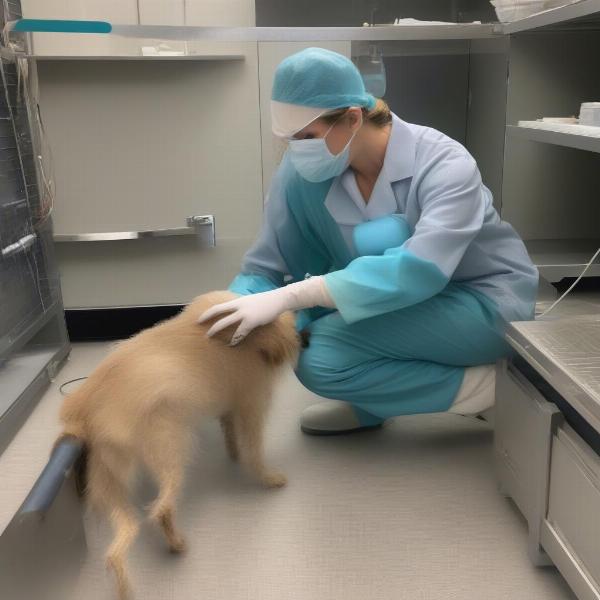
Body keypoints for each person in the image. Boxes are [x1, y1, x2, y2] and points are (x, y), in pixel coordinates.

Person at [199, 47, 538, 435]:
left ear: (352, 118)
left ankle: (487, 391)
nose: (296, 150)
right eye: (288, 139)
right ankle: (376, 403)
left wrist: (295, 297)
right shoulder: (301, 174)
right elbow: (265, 267)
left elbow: (419, 271)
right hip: (388, 304)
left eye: (306, 136)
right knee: (308, 343)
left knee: (323, 356)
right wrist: (228, 315)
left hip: (482, 303)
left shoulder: (444, 163)